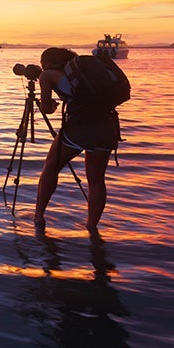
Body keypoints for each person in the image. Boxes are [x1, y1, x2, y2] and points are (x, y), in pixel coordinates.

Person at [33, 47, 122, 232]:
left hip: (80, 126)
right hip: (107, 125)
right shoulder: (81, 74)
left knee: (51, 167)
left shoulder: (47, 75)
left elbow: (46, 109)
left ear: (47, 63)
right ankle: (91, 227)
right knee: (96, 180)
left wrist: (52, 105)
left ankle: (39, 217)